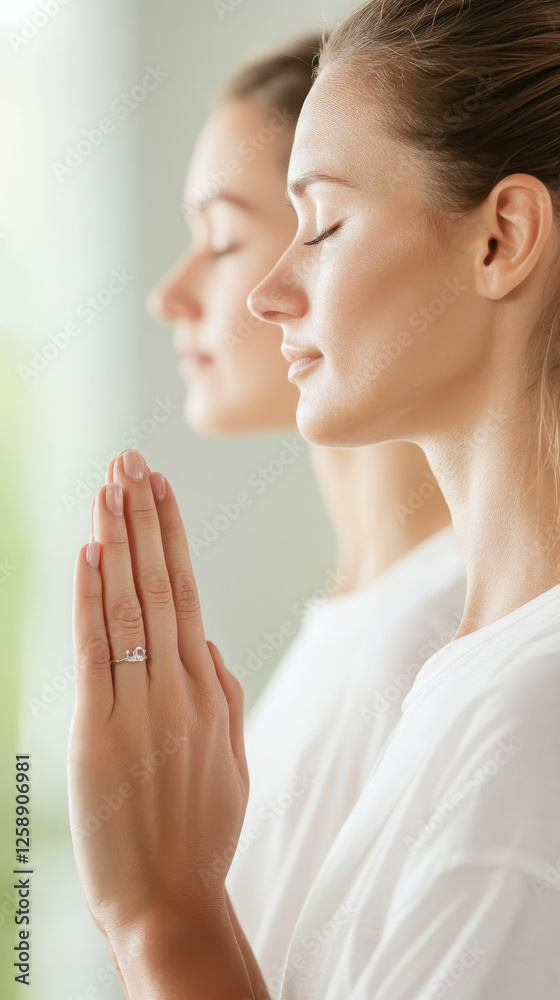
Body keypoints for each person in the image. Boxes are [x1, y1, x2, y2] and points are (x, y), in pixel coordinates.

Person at [68, 0, 560, 997]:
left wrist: (163, 915)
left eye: (324, 223)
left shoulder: (528, 725)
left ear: (501, 236)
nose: (263, 292)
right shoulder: (472, 685)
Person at [144, 35, 465, 987]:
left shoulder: (430, 641)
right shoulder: (364, 620)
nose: (171, 295)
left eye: (225, 237)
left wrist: (152, 905)